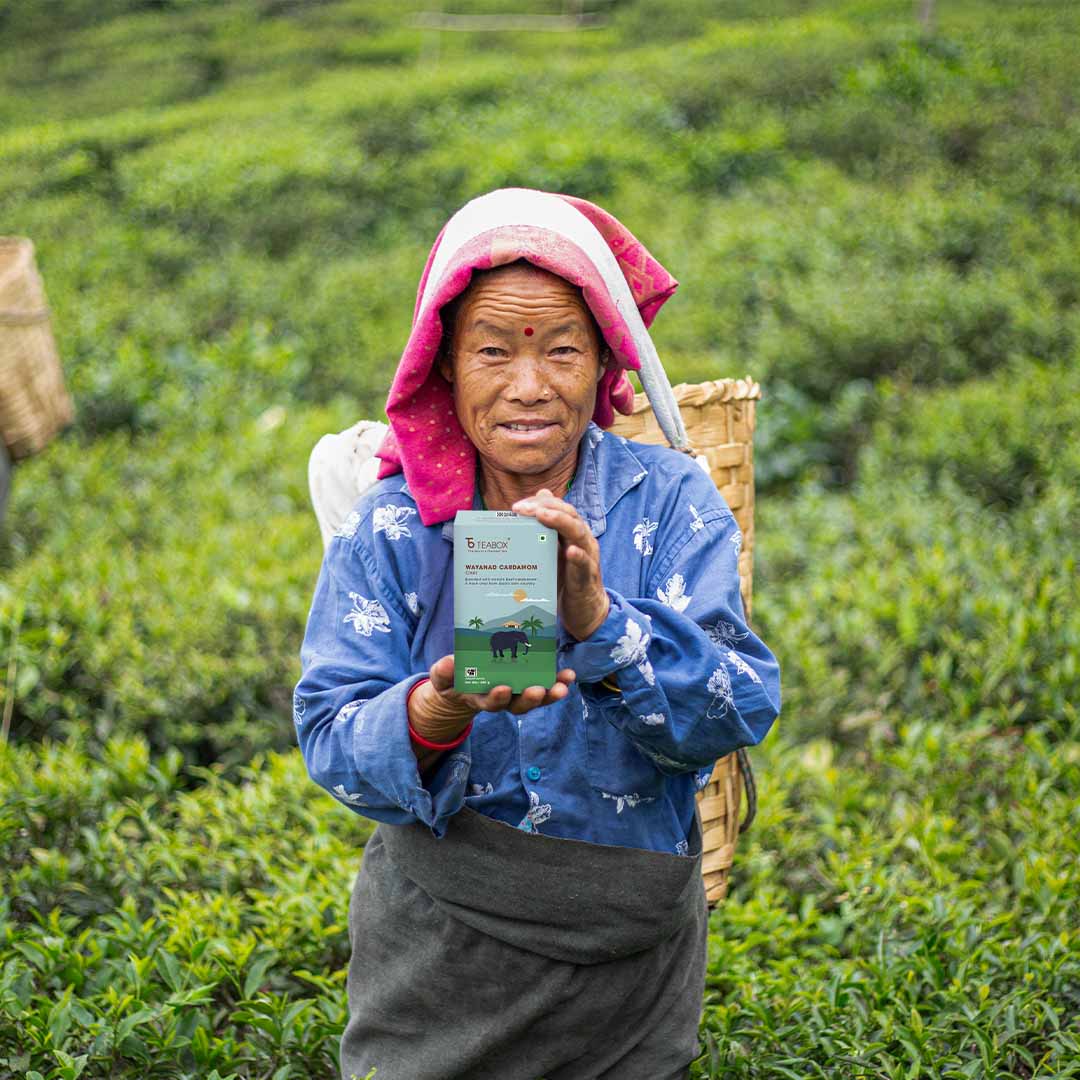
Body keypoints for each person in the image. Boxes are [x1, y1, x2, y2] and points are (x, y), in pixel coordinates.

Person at [293, 187, 781, 1080]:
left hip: (630, 975)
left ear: (602, 363)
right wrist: (436, 712)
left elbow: (740, 706)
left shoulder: (670, 502)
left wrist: (601, 622)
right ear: (444, 367)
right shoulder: (394, 528)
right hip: (441, 960)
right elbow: (328, 733)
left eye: (561, 349)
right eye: (492, 351)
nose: (528, 386)